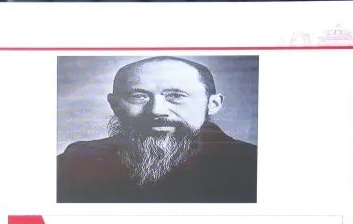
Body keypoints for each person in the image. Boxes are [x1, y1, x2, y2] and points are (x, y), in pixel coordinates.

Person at [57, 56, 256, 203]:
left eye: (176, 95)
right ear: (115, 105)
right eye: (138, 96)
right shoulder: (77, 161)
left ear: (213, 104)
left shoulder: (251, 164)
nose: (156, 110)